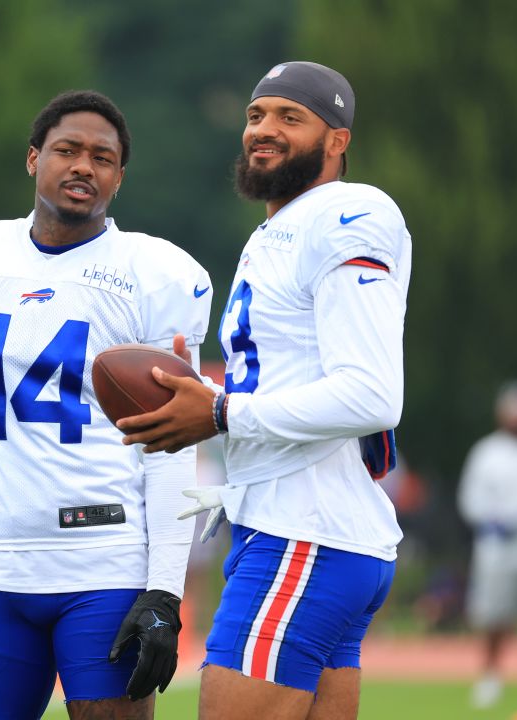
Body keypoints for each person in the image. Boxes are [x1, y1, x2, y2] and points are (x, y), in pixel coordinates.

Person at [0, 90, 213, 720]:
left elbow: (172, 444)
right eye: (67, 150)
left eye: (102, 157)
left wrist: (166, 588)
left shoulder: (153, 274)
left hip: (103, 564)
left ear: (119, 176)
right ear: (34, 159)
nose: (84, 166)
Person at [116, 61, 412, 720]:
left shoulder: (347, 212)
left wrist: (220, 409)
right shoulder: (279, 230)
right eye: (255, 115)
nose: (263, 129)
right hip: (301, 527)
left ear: (337, 140)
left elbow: (371, 395)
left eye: (289, 116)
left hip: (305, 534)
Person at [456, 380, 517, 708]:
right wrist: (491, 521)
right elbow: (470, 497)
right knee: (495, 616)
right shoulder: (486, 451)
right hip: (497, 547)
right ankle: (490, 677)